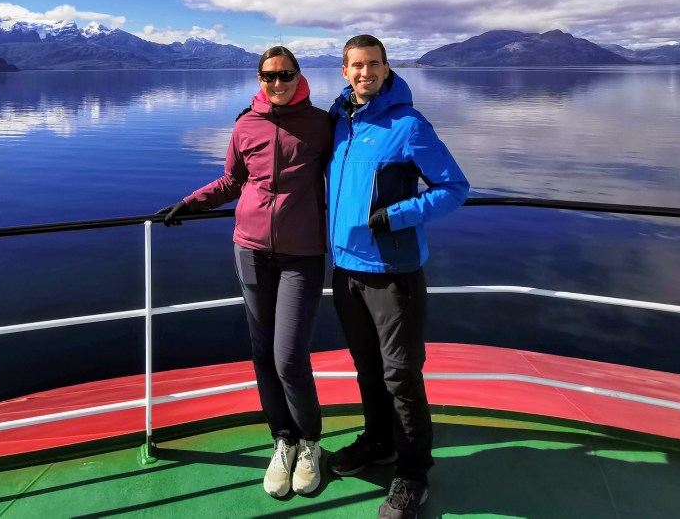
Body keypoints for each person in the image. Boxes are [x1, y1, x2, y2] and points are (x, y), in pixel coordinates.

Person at [157, 46, 333, 499]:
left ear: (299, 76)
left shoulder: (322, 124)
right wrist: (192, 202)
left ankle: (310, 441)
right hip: (250, 251)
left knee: (289, 356)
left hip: (303, 256)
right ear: (259, 79)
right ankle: (283, 440)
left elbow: (348, 175)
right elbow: (233, 180)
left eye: (285, 75)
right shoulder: (245, 125)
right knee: (262, 353)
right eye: (268, 76)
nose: (277, 83)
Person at [326, 35, 469, 519]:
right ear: (344, 72)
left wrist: (398, 214)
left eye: (373, 65)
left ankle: (412, 472)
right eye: (356, 66)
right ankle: (378, 441)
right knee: (366, 368)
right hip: (345, 268)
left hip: (392, 272)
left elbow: (454, 188)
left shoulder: (408, 125)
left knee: (401, 376)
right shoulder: (339, 123)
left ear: (387, 69)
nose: (364, 73)